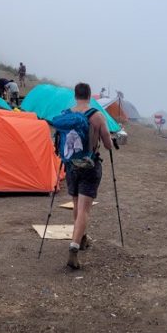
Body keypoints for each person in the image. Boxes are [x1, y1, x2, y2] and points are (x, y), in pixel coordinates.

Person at [66, 82, 115, 270]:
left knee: (76, 204)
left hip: (70, 165)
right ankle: (74, 247)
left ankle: (82, 238)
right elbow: (108, 144)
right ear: (89, 96)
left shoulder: (68, 114)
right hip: (89, 165)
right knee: (85, 209)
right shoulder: (96, 116)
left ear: (75, 95)